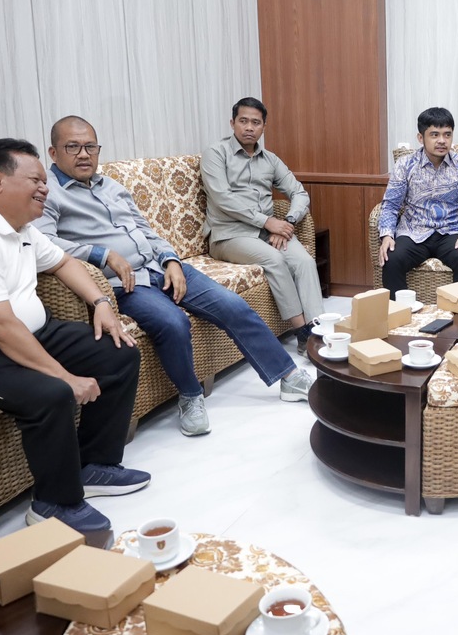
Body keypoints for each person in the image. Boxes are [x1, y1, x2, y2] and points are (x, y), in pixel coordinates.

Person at [0, 139, 148, 533]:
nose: (44, 188)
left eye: (44, 181)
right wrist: (66, 377)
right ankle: (54, 503)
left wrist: (100, 303)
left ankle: (93, 465)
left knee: (117, 351)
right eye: (36, 180)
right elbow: (0, 325)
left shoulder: (19, 227)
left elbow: (64, 262)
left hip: (30, 332)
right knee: (51, 393)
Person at [36, 116, 313, 438]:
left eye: (90, 147)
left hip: (160, 267)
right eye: (73, 147)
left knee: (233, 305)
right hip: (125, 283)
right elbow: (44, 243)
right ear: (53, 152)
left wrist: (171, 260)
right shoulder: (47, 193)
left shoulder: (111, 187)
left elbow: (146, 231)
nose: (84, 154)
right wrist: (102, 254)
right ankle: (190, 397)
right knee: (173, 322)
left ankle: (288, 377)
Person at [200, 97, 324, 357]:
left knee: (303, 261)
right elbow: (222, 198)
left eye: (256, 123)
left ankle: (318, 329)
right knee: (274, 259)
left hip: (268, 232)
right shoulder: (215, 153)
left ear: (264, 127)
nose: (249, 127)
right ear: (232, 123)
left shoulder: (270, 159)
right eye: (243, 121)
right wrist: (267, 222)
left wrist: (288, 222)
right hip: (228, 234)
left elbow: (299, 193)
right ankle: (302, 334)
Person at [377, 107, 458, 294]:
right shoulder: (405, 165)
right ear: (421, 138)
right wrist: (387, 235)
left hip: (450, 232)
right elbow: (391, 205)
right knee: (391, 258)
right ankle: (399, 311)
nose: (442, 141)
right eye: (434, 135)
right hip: (413, 232)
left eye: (447, 134)